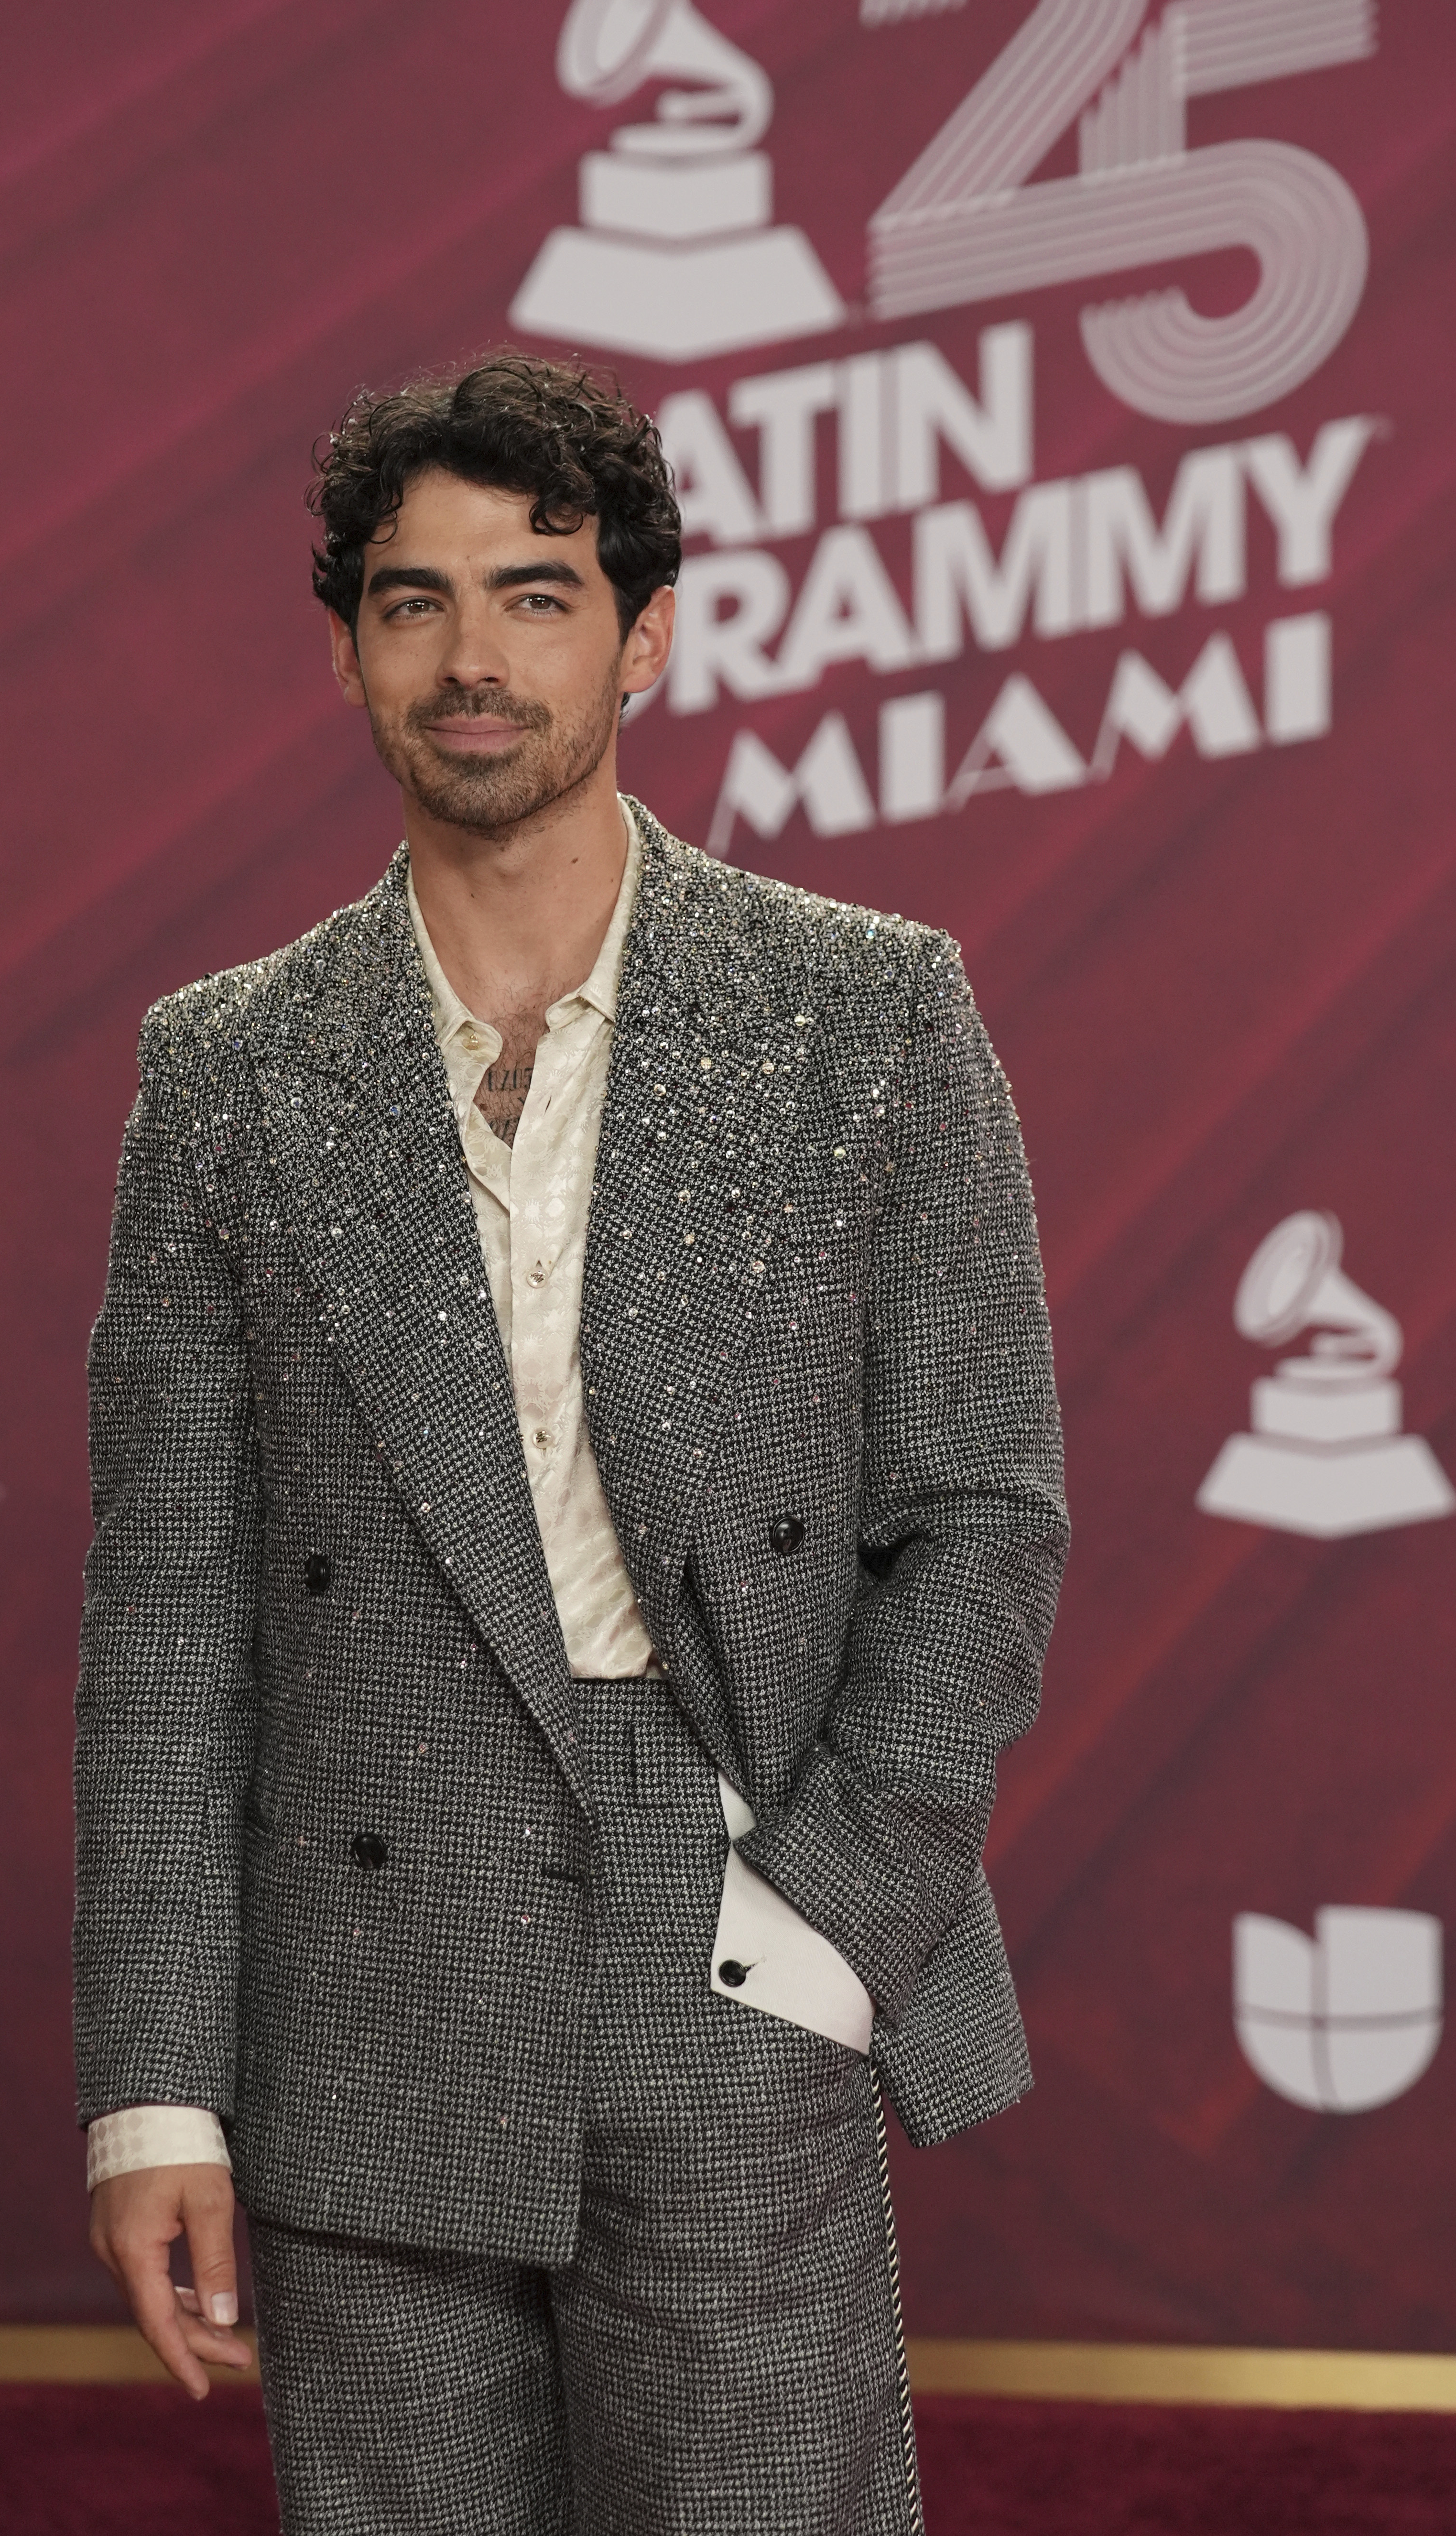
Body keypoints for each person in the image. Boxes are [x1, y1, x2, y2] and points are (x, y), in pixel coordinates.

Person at [74, 353, 1068, 2536]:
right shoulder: (225, 1069)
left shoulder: (869, 1012)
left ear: (648, 632)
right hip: (365, 1958)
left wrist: (826, 1917)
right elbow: (167, 1617)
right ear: (345, 646)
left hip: (726, 1911)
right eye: (413, 602)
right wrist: (154, 2084)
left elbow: (984, 1510)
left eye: (536, 594)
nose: (473, 657)